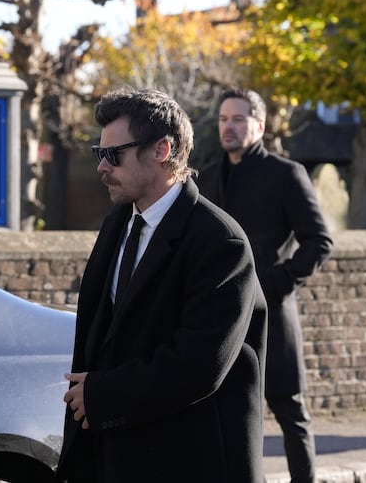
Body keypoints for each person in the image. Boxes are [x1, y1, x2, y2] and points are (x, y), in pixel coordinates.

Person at [56, 87, 268, 482]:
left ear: (161, 151)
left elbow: (202, 363)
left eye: (112, 155)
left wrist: (104, 395)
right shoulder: (118, 221)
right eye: (98, 154)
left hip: (185, 460)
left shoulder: (220, 241)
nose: (102, 168)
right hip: (115, 453)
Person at [196, 88, 333, 483]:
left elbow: (319, 241)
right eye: (223, 119)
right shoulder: (205, 176)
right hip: (222, 317)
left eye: (238, 119)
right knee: (227, 415)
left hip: (272, 311)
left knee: (290, 412)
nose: (229, 127)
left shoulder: (286, 174)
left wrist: (276, 282)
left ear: (259, 124)